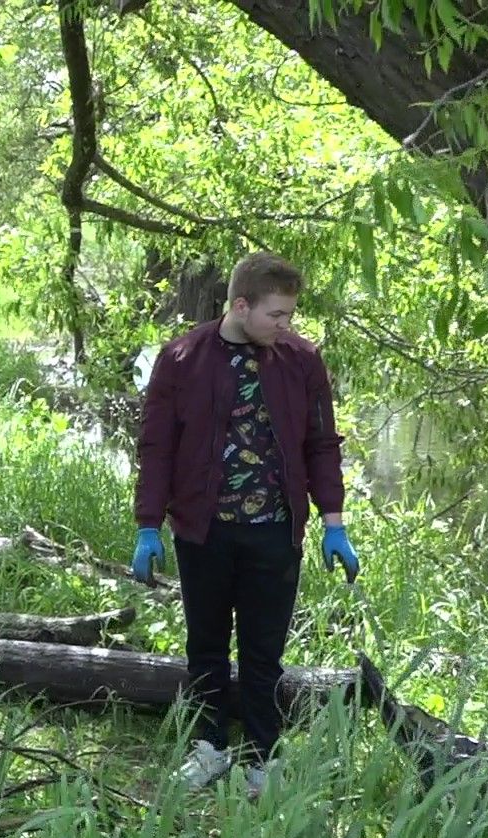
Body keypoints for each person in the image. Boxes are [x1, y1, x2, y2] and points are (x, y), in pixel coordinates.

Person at [130, 251, 355, 797]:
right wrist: (147, 525)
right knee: (205, 646)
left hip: (275, 532)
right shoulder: (183, 357)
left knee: (263, 652)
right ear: (240, 305)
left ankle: (261, 759)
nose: (287, 326)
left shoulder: (302, 360)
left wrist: (333, 523)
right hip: (203, 529)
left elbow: (321, 445)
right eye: (277, 315)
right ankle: (209, 749)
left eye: (290, 316)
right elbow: (157, 447)